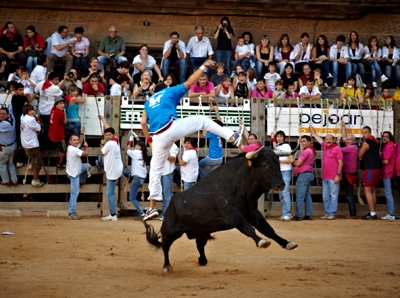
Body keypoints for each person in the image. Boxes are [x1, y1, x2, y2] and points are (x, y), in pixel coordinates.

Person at [140, 59, 244, 220]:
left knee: (155, 170)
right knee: (202, 120)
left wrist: (149, 140)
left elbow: (142, 123)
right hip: (171, 128)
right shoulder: (169, 91)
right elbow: (189, 82)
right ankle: (231, 136)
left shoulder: (148, 102)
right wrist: (203, 67)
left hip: (158, 137)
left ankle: (152, 208)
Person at [310, 127, 343, 220]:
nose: (328, 141)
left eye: (330, 139)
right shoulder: (325, 146)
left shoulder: (337, 148)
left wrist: (338, 175)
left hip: (334, 177)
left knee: (333, 196)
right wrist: (313, 132)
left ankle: (332, 213)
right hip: (325, 176)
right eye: (327, 139)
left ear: (333, 140)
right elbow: (318, 139)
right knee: (325, 196)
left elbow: (341, 162)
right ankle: (327, 212)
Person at [99, 115, 123, 221]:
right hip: (116, 169)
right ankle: (112, 214)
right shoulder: (116, 140)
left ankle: (113, 214)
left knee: (110, 193)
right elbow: (108, 128)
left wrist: (101, 144)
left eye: (109, 135)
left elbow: (101, 152)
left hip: (112, 170)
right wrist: (103, 120)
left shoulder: (109, 144)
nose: (108, 136)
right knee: (111, 192)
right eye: (106, 135)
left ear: (113, 135)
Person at [35, 71, 63, 152]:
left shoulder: (41, 83)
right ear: (51, 79)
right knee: (50, 130)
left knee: (44, 130)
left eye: (58, 79)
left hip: (42, 111)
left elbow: (36, 90)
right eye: (56, 79)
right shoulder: (55, 88)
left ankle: (44, 147)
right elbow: (60, 94)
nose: (57, 81)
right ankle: (49, 147)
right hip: (50, 112)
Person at [66, 130, 91, 220]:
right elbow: (86, 153)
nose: (76, 141)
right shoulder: (73, 150)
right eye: (74, 140)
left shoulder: (72, 147)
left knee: (88, 166)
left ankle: (81, 181)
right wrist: (86, 147)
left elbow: (79, 143)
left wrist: (81, 134)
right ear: (70, 141)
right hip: (74, 174)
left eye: (77, 139)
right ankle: (71, 212)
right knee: (75, 193)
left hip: (76, 169)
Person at [358, 126, 381, 220]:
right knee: (372, 191)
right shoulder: (376, 142)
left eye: (365, 132)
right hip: (377, 168)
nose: (364, 134)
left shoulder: (366, 143)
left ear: (370, 133)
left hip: (370, 168)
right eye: (362, 133)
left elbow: (360, 155)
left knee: (367, 190)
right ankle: (373, 211)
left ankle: (372, 213)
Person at [271, 131, 293, 221]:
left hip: (285, 171)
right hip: (280, 172)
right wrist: (272, 138)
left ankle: (287, 213)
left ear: (284, 137)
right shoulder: (278, 146)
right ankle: (285, 213)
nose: (279, 138)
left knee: (285, 192)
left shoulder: (286, 146)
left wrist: (279, 162)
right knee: (281, 193)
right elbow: (275, 147)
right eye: (277, 136)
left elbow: (291, 159)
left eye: (281, 136)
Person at [292, 135, 316, 221]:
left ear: (309, 142)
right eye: (301, 141)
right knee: (307, 196)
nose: (302, 143)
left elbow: (298, 163)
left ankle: (299, 215)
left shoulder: (306, 151)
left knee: (300, 196)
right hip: (308, 174)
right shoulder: (310, 150)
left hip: (303, 175)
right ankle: (309, 214)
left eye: (304, 141)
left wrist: (292, 161)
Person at [20, 105, 44, 186]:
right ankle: (35, 180)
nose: (32, 112)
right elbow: (39, 128)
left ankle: (31, 164)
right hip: (32, 144)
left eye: (32, 110)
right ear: (26, 112)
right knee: (37, 163)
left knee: (33, 156)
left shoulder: (22, 117)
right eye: (30, 111)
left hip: (25, 143)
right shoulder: (31, 119)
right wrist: (38, 119)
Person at [126, 132, 148, 218]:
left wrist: (130, 140)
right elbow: (141, 144)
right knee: (126, 172)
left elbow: (127, 150)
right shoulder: (143, 152)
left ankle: (142, 214)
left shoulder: (135, 153)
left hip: (137, 178)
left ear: (140, 147)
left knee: (132, 197)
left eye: (138, 145)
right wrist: (136, 137)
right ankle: (131, 177)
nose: (136, 146)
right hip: (142, 176)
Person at [199, 105, 223, 178]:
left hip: (212, 159)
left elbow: (204, 134)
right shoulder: (221, 132)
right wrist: (216, 111)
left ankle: (206, 178)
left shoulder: (213, 133)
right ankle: (210, 181)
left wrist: (205, 124)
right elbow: (219, 122)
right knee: (213, 175)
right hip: (220, 159)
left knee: (199, 164)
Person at [340, 122, 359, 219]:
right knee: (349, 192)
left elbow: (338, 150)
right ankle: (352, 212)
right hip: (351, 172)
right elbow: (344, 139)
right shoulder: (354, 147)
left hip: (349, 173)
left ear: (353, 141)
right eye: (347, 139)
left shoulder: (350, 148)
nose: (347, 140)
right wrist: (343, 127)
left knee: (349, 193)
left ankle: (353, 213)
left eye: (349, 139)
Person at [159, 143, 179, 220]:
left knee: (167, 193)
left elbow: (172, 159)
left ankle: (167, 214)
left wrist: (163, 153)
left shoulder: (173, 146)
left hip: (167, 171)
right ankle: (164, 213)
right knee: (164, 193)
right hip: (161, 171)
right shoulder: (163, 145)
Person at [0, 106, 18, 186]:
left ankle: (5, 181)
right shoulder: (12, 117)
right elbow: (11, 108)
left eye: (3, 114)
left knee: (2, 164)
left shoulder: (4, 124)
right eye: (0, 114)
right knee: (11, 163)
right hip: (13, 145)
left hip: (5, 148)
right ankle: (14, 180)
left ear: (7, 114)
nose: (1, 116)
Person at [380, 131, 396, 220]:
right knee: (388, 193)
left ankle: (391, 213)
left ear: (390, 137)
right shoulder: (389, 145)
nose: (384, 138)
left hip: (387, 172)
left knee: (388, 194)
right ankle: (391, 213)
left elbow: (385, 161)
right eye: (383, 136)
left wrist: (378, 162)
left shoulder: (388, 147)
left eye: (386, 136)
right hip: (388, 172)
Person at [48, 96, 67, 167]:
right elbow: (64, 122)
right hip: (59, 136)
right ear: (56, 105)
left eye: (63, 103)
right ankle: (60, 163)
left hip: (51, 134)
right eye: (60, 103)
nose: (62, 105)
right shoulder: (60, 113)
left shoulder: (53, 109)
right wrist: (65, 115)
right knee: (63, 150)